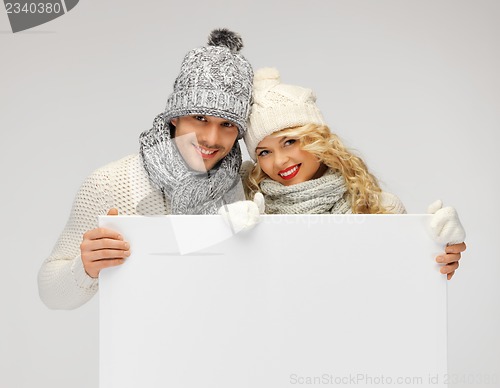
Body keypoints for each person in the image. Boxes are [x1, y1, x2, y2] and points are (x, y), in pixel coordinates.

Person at [37, 29, 259, 309]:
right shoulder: (110, 182)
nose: (212, 139)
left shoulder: (247, 184)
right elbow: (50, 293)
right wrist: (85, 266)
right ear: (175, 117)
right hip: (145, 347)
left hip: (230, 343)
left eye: (227, 124)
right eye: (200, 118)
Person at [241, 67, 466, 279]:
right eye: (264, 152)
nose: (279, 161)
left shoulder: (379, 208)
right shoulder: (246, 208)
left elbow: (403, 280)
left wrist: (438, 250)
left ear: (317, 140)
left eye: (290, 142)